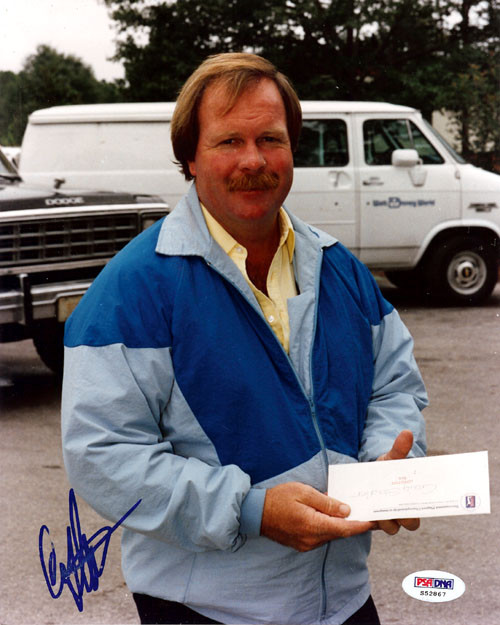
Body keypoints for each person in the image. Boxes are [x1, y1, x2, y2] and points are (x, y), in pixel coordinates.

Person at [62, 52, 427, 625]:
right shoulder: (132, 290)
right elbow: (103, 455)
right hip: (206, 609)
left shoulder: (341, 270)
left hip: (345, 601)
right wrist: (251, 510)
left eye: (271, 140)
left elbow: (394, 384)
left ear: (293, 149)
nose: (253, 160)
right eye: (228, 141)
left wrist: (389, 467)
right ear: (190, 157)